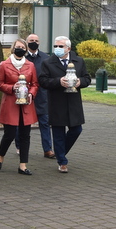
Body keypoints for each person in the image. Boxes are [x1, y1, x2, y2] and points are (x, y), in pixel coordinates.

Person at [38, 36, 91, 173]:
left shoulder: (78, 61)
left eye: (60, 46)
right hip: (57, 102)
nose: (57, 49)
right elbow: (43, 81)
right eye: (55, 46)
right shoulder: (48, 62)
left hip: (74, 103)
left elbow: (87, 78)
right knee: (58, 133)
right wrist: (58, 81)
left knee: (76, 130)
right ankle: (62, 161)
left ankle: (60, 151)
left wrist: (80, 82)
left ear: (68, 48)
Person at [0, 38, 39, 175]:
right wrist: (11, 87)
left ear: (26, 50)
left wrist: (31, 93)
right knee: (9, 134)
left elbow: (35, 84)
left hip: (26, 104)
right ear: (13, 48)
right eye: (17, 46)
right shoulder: (4, 64)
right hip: (10, 104)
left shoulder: (30, 65)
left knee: (25, 135)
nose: (20, 49)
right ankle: (0, 157)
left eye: (22, 47)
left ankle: (23, 165)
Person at [25, 33, 55, 159]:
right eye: (31, 40)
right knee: (24, 123)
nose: (34, 42)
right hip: (25, 94)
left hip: (42, 95)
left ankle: (47, 149)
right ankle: (20, 146)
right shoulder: (22, 57)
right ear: (27, 42)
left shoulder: (46, 58)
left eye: (36, 40)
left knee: (44, 123)